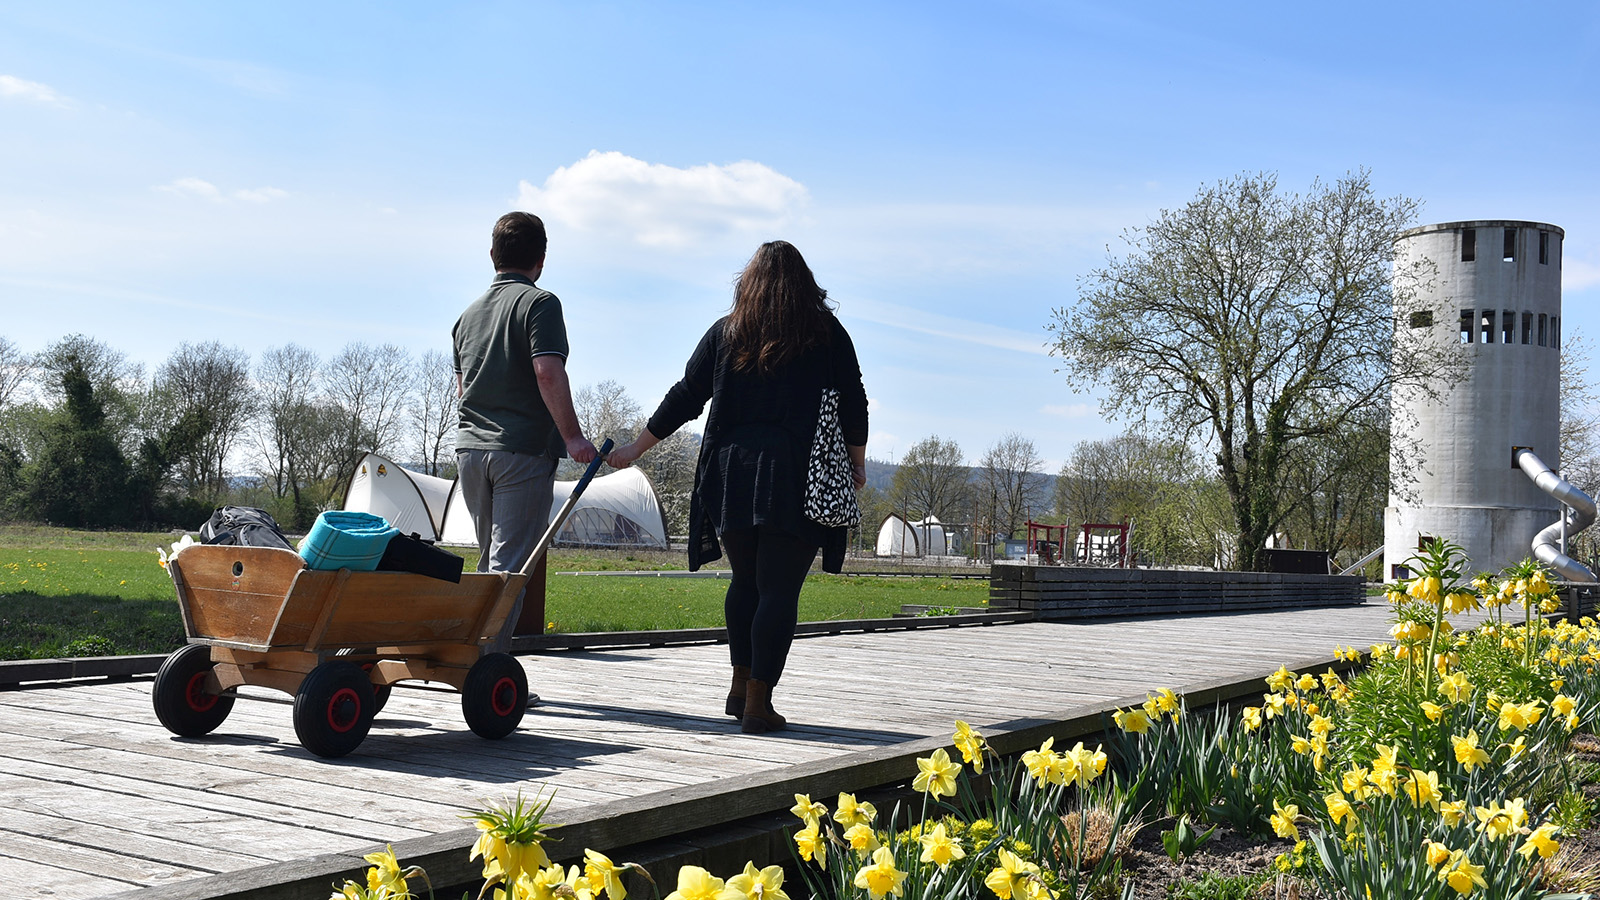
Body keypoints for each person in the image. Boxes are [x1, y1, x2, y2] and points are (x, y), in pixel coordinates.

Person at [609, 241, 867, 733]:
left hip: (729, 473)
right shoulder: (827, 333)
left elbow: (686, 395)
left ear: (747, 284)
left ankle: (740, 683)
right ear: (805, 285)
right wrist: (855, 464)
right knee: (778, 590)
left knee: (745, 582)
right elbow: (855, 400)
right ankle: (758, 703)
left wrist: (634, 449)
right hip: (796, 473)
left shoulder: (727, 332)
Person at [454, 212, 597, 648]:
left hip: (470, 452)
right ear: (542, 257)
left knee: (488, 566)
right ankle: (486, 671)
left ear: (492, 254)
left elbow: (463, 389)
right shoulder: (540, 304)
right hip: (521, 451)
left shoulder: (467, 316)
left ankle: (471, 659)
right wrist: (572, 436)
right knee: (510, 569)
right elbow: (547, 372)